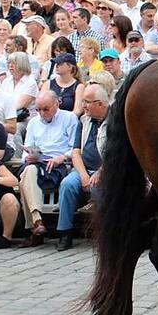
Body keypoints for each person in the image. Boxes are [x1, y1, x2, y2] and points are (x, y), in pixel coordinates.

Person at [17, 90, 78, 247]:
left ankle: (35, 226)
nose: (42, 113)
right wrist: (30, 156)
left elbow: (75, 147)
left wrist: (62, 157)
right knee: (28, 170)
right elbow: (27, 149)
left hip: (59, 165)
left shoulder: (69, 118)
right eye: (38, 109)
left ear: (56, 104)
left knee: (26, 177)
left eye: (46, 109)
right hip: (37, 163)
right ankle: (37, 221)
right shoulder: (33, 122)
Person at [56, 83, 107, 251]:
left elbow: (116, 153)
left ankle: (103, 234)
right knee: (67, 185)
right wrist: (83, 175)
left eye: (87, 102)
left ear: (100, 104)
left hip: (106, 170)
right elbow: (76, 152)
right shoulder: (83, 121)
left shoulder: (115, 121)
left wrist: (99, 173)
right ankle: (65, 232)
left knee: (99, 189)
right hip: (84, 169)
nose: (83, 106)